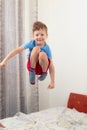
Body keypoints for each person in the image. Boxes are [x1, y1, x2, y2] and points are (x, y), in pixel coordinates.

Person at [0, 21, 55, 89]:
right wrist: (5, 60)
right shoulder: (32, 43)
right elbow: (17, 50)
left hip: (42, 68)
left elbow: (51, 66)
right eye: (37, 35)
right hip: (32, 65)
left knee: (43, 54)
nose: (39, 37)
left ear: (46, 36)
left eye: (42, 34)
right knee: (36, 49)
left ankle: (44, 73)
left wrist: (52, 81)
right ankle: (32, 72)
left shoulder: (47, 48)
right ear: (33, 36)